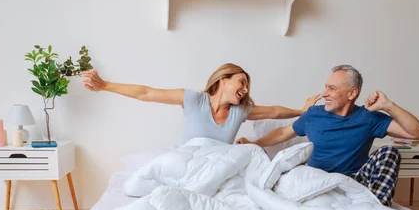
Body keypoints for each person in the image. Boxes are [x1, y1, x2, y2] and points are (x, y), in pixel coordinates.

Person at [236, 65, 419, 207]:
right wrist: (254, 143)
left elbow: (418, 133)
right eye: (325, 87)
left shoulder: (368, 117)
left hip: (353, 181)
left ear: (352, 93)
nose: (324, 93)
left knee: (389, 153)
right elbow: (284, 133)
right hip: (316, 180)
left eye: (332, 89)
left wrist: (388, 106)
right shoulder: (314, 114)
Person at [82, 63, 320, 144]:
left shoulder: (241, 111)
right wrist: (104, 86)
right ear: (223, 79)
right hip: (190, 163)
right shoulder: (195, 100)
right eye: (241, 82)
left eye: (247, 87)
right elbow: (146, 93)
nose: (245, 90)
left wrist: (301, 111)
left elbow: (274, 111)